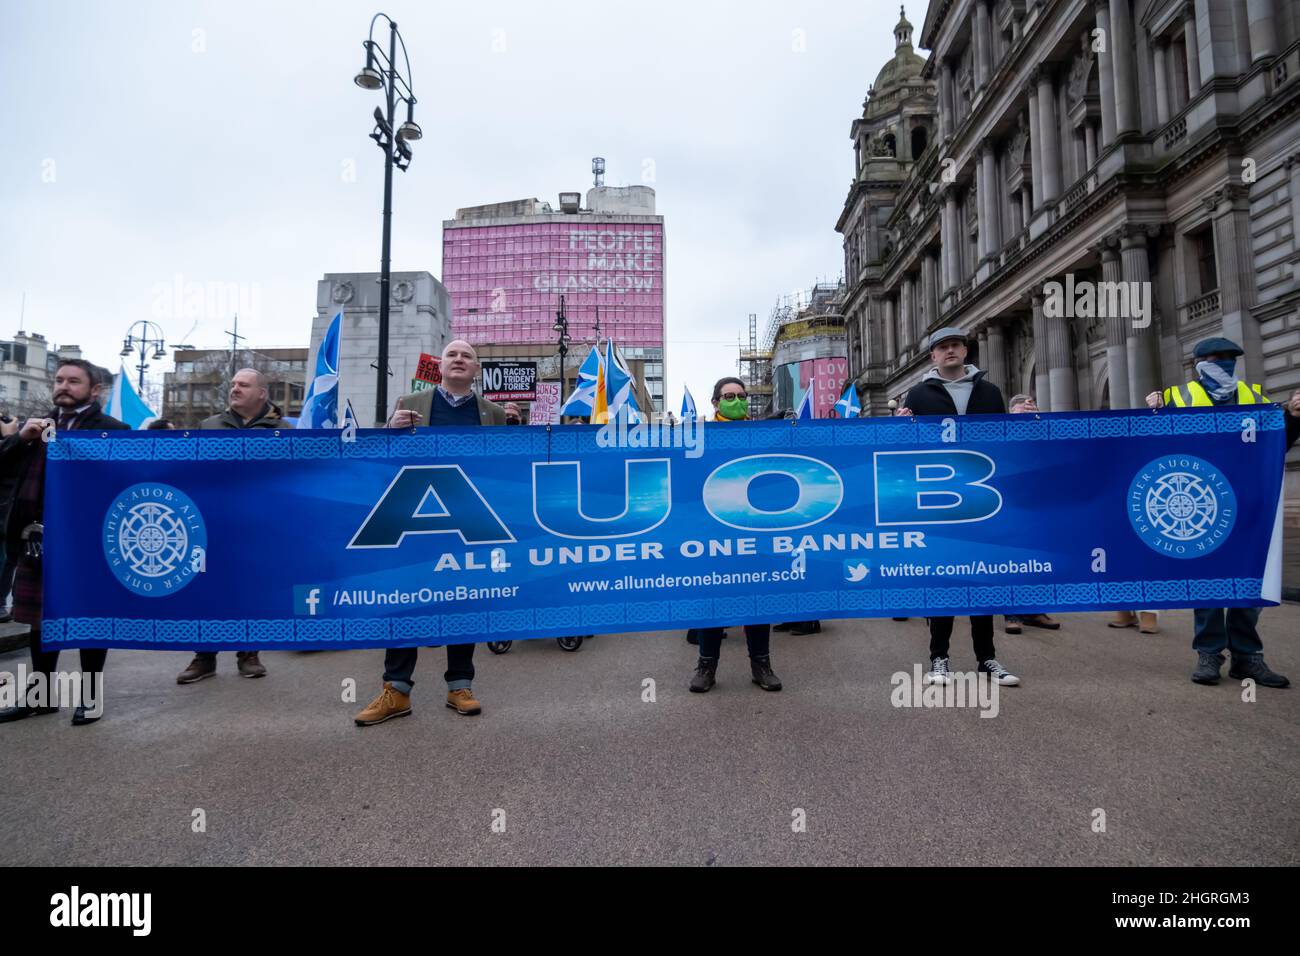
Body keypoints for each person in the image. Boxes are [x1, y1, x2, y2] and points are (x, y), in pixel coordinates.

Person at [355, 340, 507, 726]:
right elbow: (385, 459)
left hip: (466, 523)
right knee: (406, 599)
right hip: (414, 522)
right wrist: (389, 430)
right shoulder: (410, 402)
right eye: (452, 354)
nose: (459, 359)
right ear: (440, 366)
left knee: (464, 600)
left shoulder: (492, 413)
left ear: (476, 370)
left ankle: (460, 685)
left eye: (467, 356)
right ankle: (397, 690)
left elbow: (506, 468)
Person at [1145, 337, 1300, 688]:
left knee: (1249, 581)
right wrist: (1152, 412)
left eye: (1231, 358)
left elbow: (1278, 443)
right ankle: (1210, 653)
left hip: (1249, 504)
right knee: (1209, 583)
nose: (1225, 364)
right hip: (1202, 504)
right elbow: (1152, 446)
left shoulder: (1254, 397)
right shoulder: (1176, 398)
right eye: (1217, 358)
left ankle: (1247, 658)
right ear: (1198, 363)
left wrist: (1292, 416)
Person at [0, 360, 129, 725]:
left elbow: (123, 483)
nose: (64, 386)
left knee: (92, 618)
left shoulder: (112, 430)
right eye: (59, 380)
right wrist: (17, 440)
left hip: (89, 541)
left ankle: (90, 698)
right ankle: (41, 697)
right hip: (37, 538)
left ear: (95, 390)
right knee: (41, 620)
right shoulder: (36, 427)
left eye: (74, 381)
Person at [895, 328, 1020, 687]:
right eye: (941, 347)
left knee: (981, 578)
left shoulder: (989, 392)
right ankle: (939, 658)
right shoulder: (917, 395)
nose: (949, 351)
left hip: (983, 502)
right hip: (939, 502)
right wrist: (901, 430)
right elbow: (905, 452)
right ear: (933, 356)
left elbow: (1004, 444)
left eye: (954, 345)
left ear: (965, 350)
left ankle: (988, 659)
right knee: (944, 582)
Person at [175, 368, 287, 684]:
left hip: (257, 526)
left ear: (262, 393)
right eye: (233, 384)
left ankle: (248, 653)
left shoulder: (281, 430)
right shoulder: (208, 426)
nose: (235, 388)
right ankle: (204, 656)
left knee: (250, 588)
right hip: (212, 522)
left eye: (243, 384)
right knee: (207, 588)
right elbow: (190, 469)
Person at [688, 376, 782, 693]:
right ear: (715, 402)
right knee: (712, 600)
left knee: (758, 598)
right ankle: (706, 666)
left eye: (742, 396)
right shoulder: (697, 437)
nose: (737, 400)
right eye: (729, 396)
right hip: (712, 532)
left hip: (754, 529)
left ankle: (761, 664)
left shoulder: (762, 435)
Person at [1003, 394, 1061, 635]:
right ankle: (1012, 613)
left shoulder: (1043, 433)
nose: (1028, 415)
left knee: (1037, 559)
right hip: (1009, 507)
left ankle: (1035, 610)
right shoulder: (1002, 433)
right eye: (1021, 413)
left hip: (1038, 505)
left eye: (1032, 411)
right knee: (1010, 561)